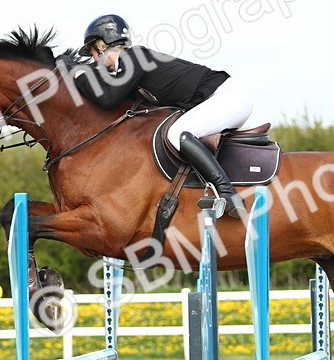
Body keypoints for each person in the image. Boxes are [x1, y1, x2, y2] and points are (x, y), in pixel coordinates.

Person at [68, 14, 250, 218]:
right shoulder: (128, 67)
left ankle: (228, 194)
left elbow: (108, 98)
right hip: (222, 98)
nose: (93, 60)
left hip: (228, 96)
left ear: (101, 47)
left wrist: (80, 75)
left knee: (177, 133)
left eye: (92, 53)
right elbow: (108, 90)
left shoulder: (133, 56)